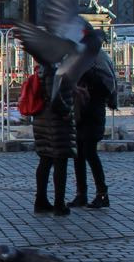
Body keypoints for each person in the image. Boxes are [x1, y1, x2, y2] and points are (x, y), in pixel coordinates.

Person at [72, 31, 116, 209]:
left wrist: (88, 77)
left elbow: (108, 85)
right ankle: (81, 194)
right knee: (79, 155)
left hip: (93, 110)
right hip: (80, 111)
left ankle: (102, 193)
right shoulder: (82, 57)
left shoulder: (100, 58)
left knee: (90, 153)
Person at [30, 60, 76, 215]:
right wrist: (67, 112)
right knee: (59, 161)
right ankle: (58, 204)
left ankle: (41, 200)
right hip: (54, 122)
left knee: (46, 159)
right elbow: (54, 97)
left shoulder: (45, 67)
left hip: (44, 120)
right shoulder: (53, 69)